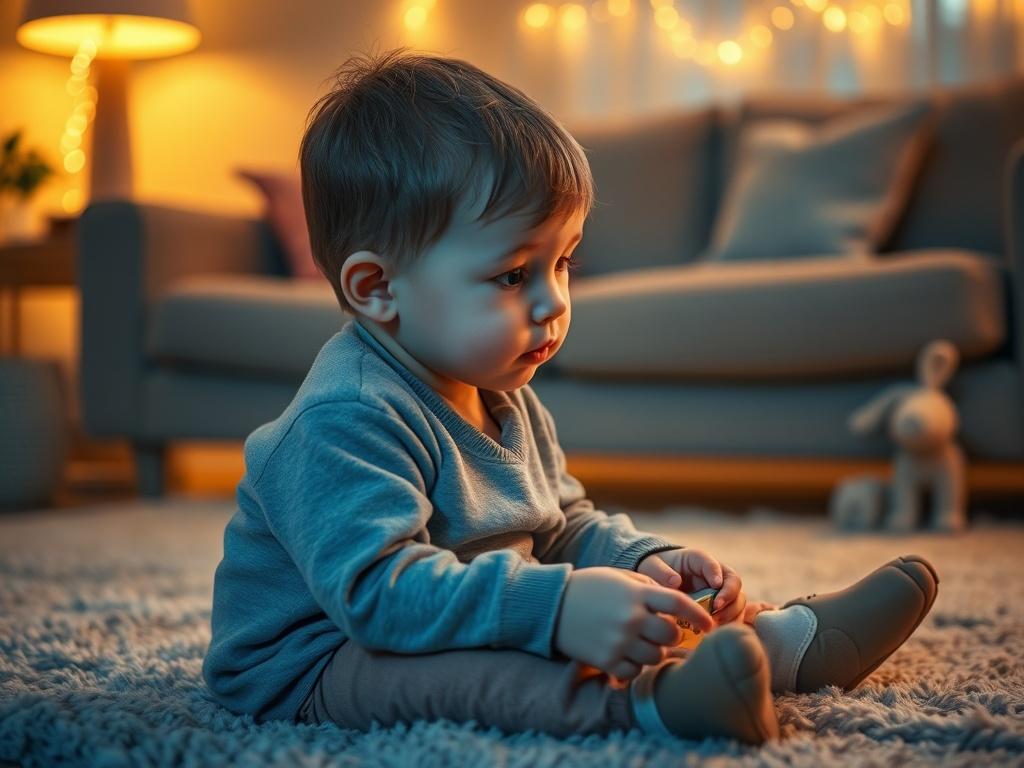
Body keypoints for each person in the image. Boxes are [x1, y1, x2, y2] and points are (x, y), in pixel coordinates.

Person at [201, 47, 939, 744]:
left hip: (451, 609)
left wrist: (646, 558)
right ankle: (651, 706)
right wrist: (553, 608)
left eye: (564, 264)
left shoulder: (502, 395)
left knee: (612, 610)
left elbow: (558, 526)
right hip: (319, 660)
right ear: (378, 288)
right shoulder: (344, 419)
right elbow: (379, 596)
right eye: (513, 275)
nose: (552, 302)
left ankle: (778, 644)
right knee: (480, 672)